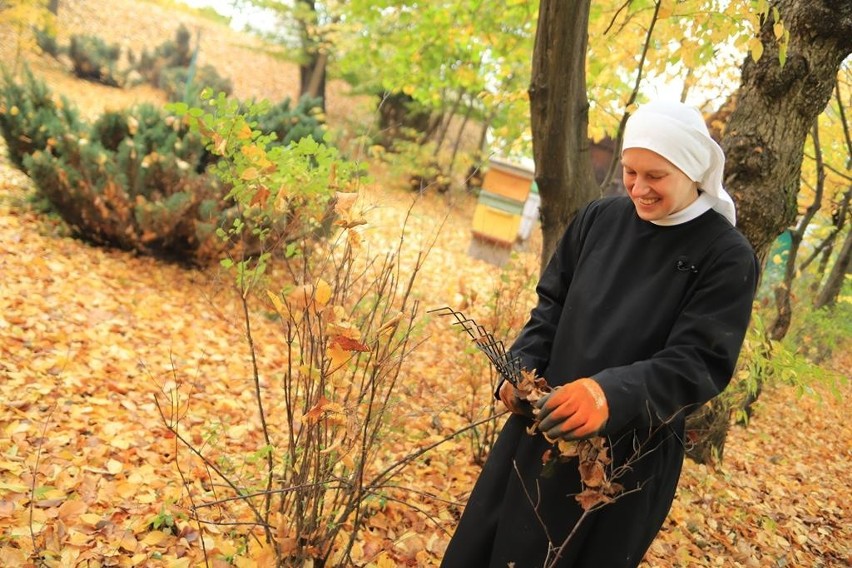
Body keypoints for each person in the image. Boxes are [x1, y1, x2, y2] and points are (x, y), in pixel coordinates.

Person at [441, 100, 759, 567]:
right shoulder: (599, 219)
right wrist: (519, 369)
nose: (638, 188)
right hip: (540, 432)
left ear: (692, 172)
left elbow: (699, 362)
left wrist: (607, 396)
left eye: (655, 176)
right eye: (630, 171)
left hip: (625, 462)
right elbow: (551, 304)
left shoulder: (725, 255)